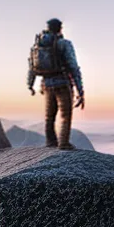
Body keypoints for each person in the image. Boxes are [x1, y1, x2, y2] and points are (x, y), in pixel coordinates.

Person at [27, 18, 84, 150]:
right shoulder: (64, 44)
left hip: (46, 85)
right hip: (63, 84)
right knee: (65, 114)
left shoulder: (38, 46)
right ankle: (63, 143)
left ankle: (50, 142)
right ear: (60, 29)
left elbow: (32, 67)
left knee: (49, 116)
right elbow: (73, 67)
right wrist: (80, 91)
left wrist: (30, 85)